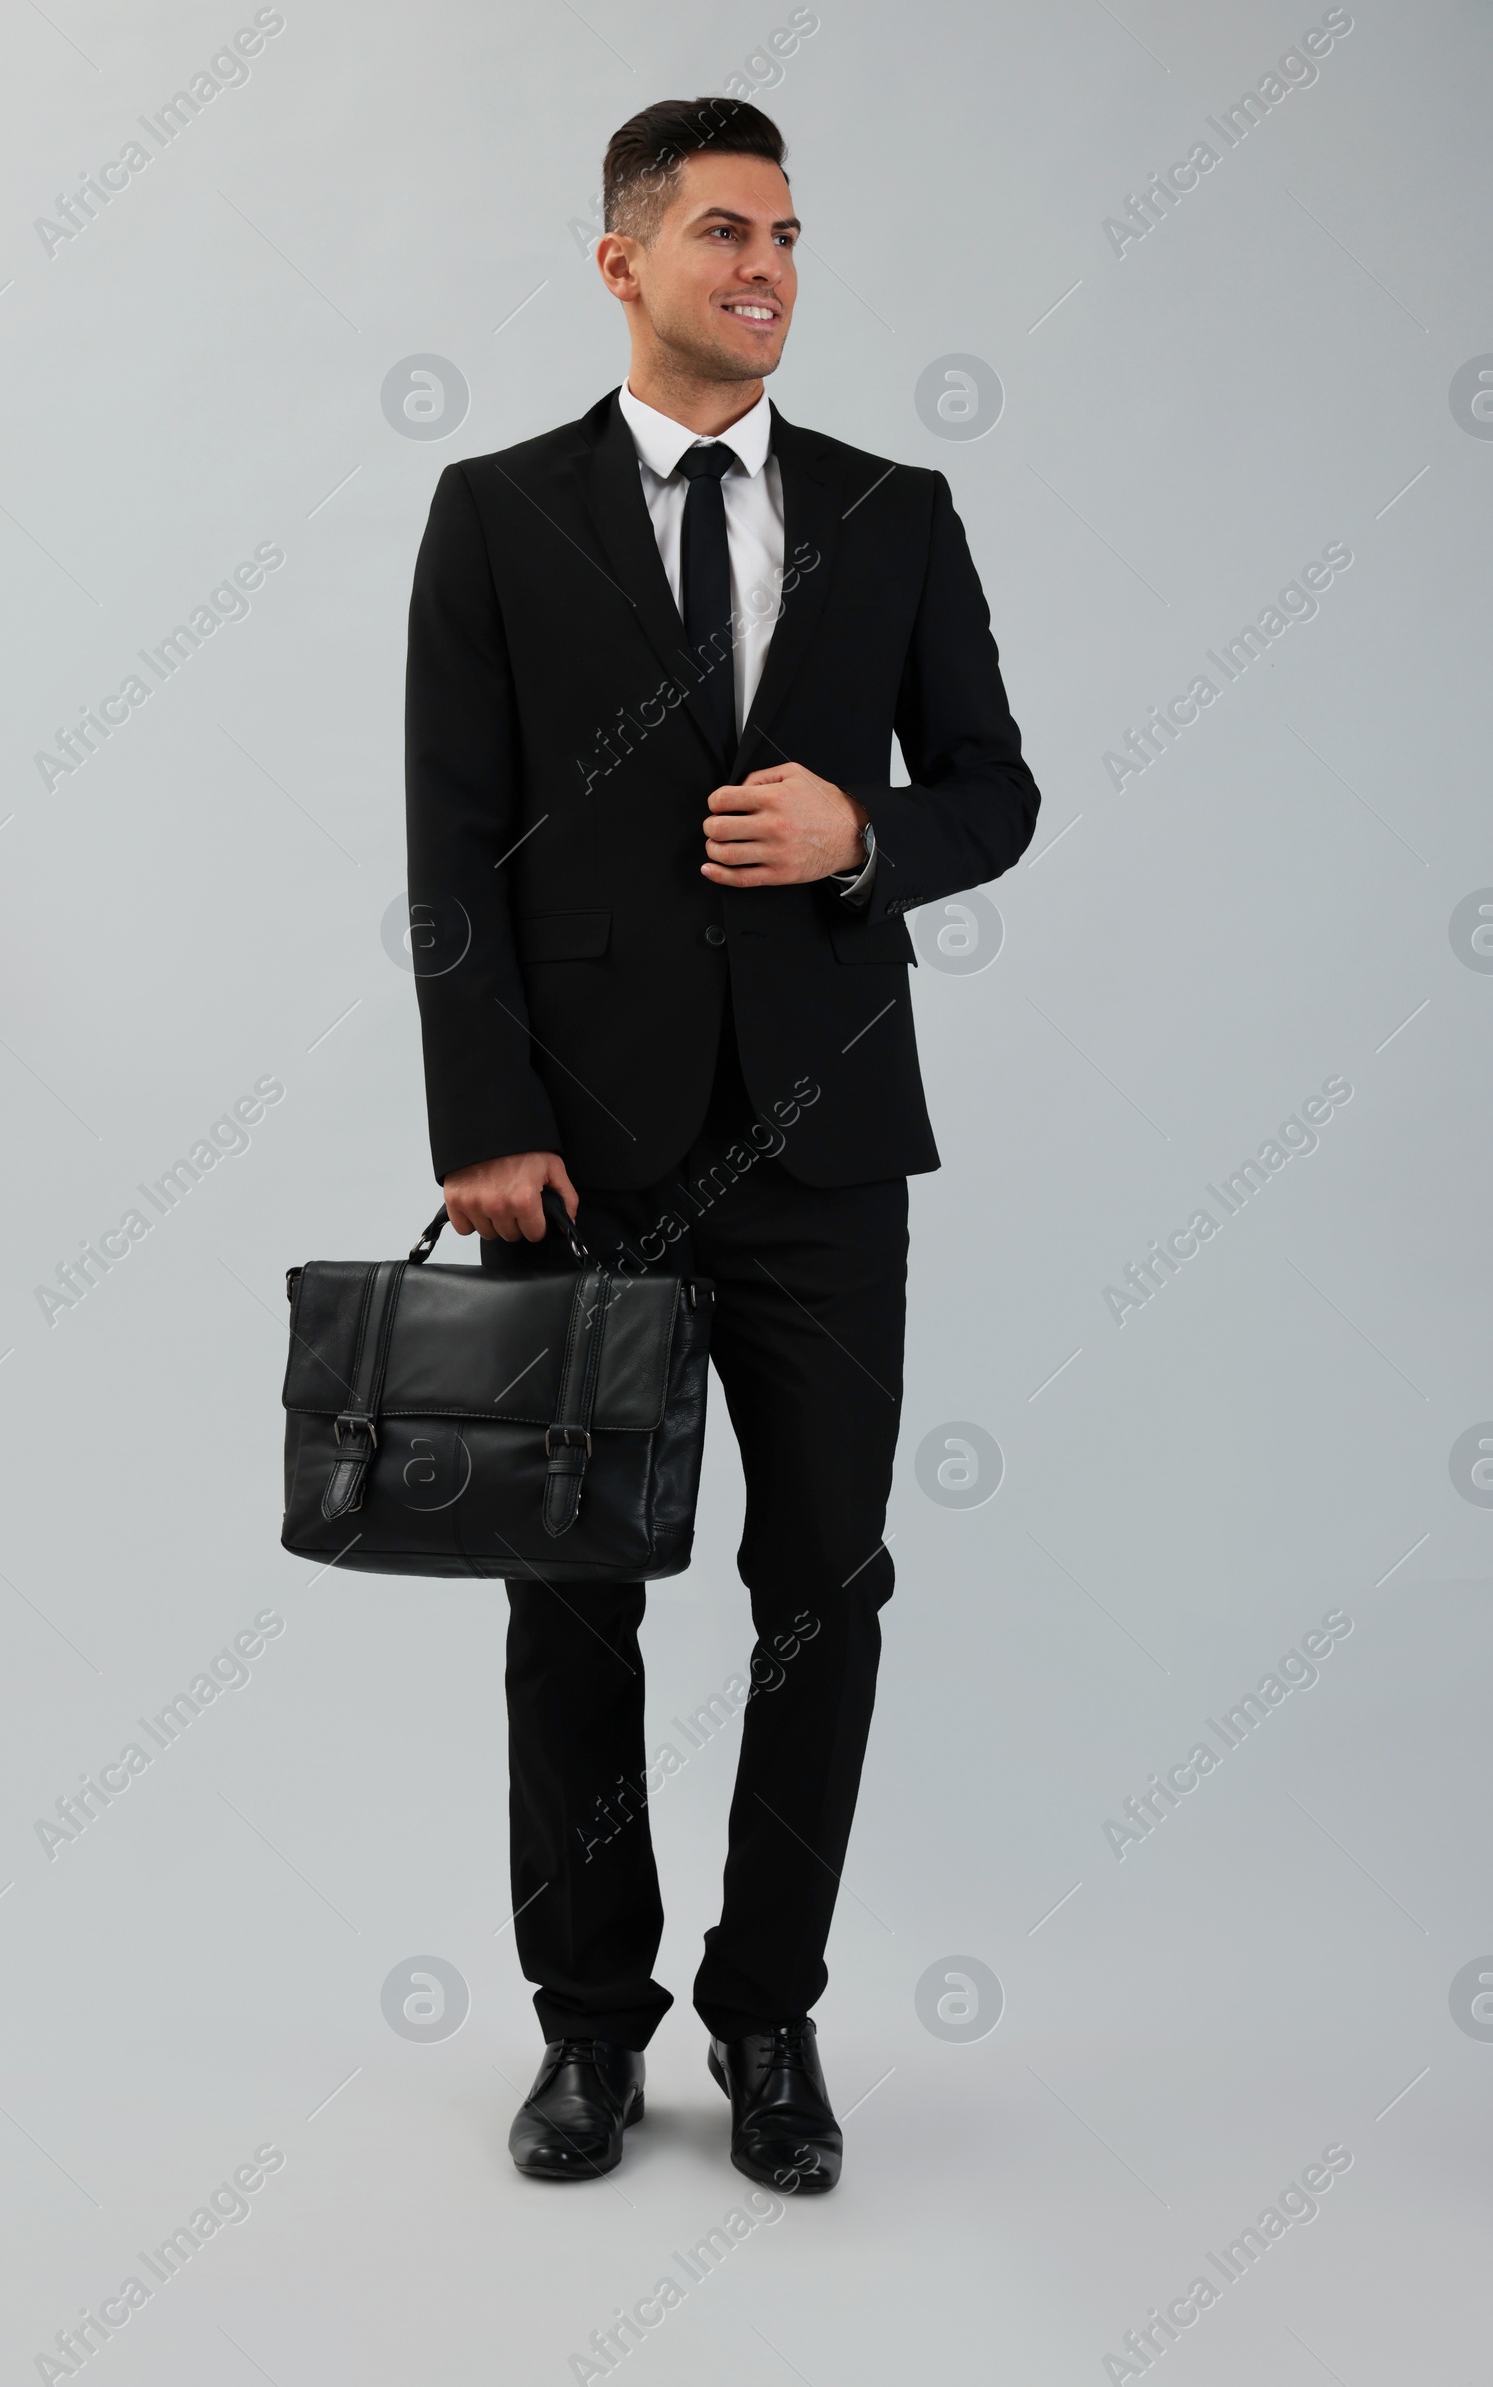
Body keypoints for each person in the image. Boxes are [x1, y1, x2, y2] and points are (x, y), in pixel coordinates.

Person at [404, 97, 1038, 2191]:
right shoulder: (495, 516)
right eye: (715, 231)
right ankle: (587, 2034)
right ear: (620, 263)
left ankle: (768, 2021)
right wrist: (482, 1121)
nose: (760, 264)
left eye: (783, 231)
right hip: (575, 1161)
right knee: (571, 1598)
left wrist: (867, 834)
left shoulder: (892, 507)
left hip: (826, 1152)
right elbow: (450, 845)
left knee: (817, 1590)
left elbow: (990, 787)